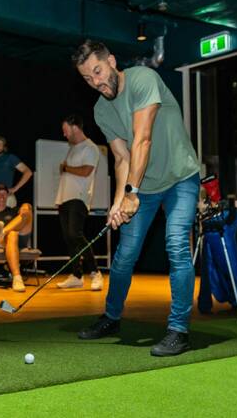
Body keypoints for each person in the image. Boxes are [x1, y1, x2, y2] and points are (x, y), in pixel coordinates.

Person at [73, 40, 200, 356]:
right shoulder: (101, 110)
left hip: (181, 177)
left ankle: (178, 330)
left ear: (112, 61)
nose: (97, 82)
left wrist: (131, 193)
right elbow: (121, 158)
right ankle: (111, 317)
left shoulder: (143, 78)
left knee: (176, 245)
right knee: (125, 253)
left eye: (99, 71)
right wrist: (119, 201)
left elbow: (141, 140)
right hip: (144, 185)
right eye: (88, 79)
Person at [54, 114, 104, 291]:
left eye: (65, 130)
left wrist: (66, 167)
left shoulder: (90, 148)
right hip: (65, 199)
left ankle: (95, 272)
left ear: (75, 127)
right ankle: (76, 275)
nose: (64, 134)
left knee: (75, 234)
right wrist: (59, 199)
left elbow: (86, 171)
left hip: (79, 197)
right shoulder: (73, 148)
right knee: (69, 238)